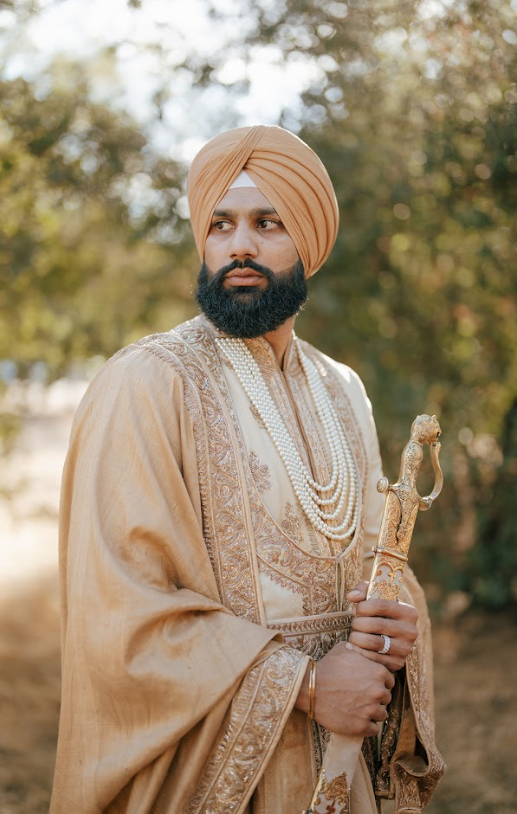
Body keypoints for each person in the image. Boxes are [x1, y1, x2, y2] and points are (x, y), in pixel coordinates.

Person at [50, 125, 444, 814]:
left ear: (309, 244)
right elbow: (118, 605)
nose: (239, 245)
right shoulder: (148, 382)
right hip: (211, 769)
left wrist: (396, 623)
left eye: (267, 224)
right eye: (220, 225)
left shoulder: (341, 389)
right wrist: (307, 685)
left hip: (340, 766)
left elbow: (370, 563)